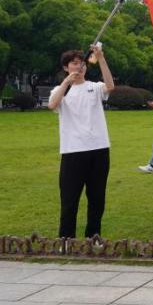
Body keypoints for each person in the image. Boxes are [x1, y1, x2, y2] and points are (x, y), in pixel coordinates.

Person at [48, 45, 114, 238]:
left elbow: (110, 86)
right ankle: (66, 239)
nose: (79, 67)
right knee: (69, 198)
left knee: (97, 198)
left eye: (82, 63)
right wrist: (66, 82)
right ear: (66, 67)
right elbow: (52, 104)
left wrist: (101, 58)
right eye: (74, 63)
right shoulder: (61, 90)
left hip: (99, 149)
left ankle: (93, 236)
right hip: (73, 151)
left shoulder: (94, 87)